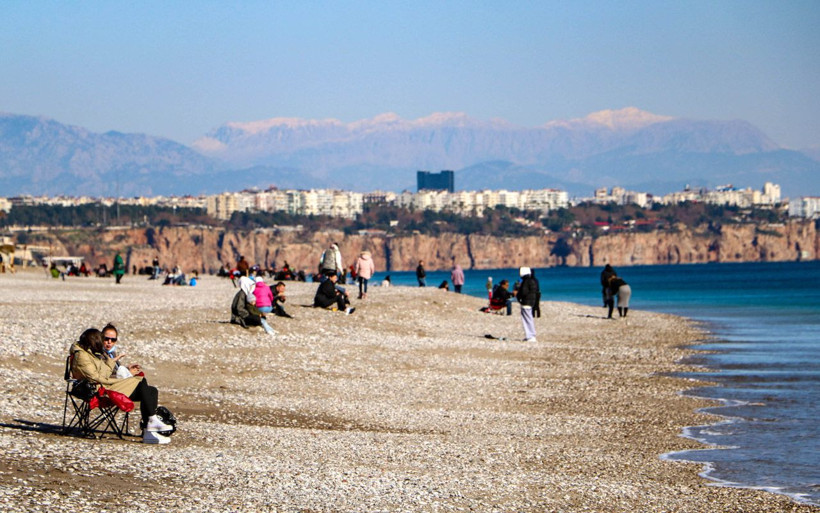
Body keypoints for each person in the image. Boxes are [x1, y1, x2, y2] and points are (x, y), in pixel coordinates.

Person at [70, 328, 173, 444]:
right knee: (141, 381)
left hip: (103, 385)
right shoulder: (83, 356)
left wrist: (113, 363)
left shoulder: (91, 353)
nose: (107, 342)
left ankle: (149, 430)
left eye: (113, 340)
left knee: (151, 390)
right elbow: (95, 377)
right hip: (97, 390)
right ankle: (150, 424)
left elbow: (102, 373)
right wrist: (116, 379)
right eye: (105, 339)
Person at [517, 267, 539, 342]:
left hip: (526, 302)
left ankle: (530, 335)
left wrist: (519, 297)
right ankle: (530, 335)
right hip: (531, 301)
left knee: (527, 319)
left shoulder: (525, 281)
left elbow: (523, 292)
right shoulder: (532, 280)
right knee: (529, 318)